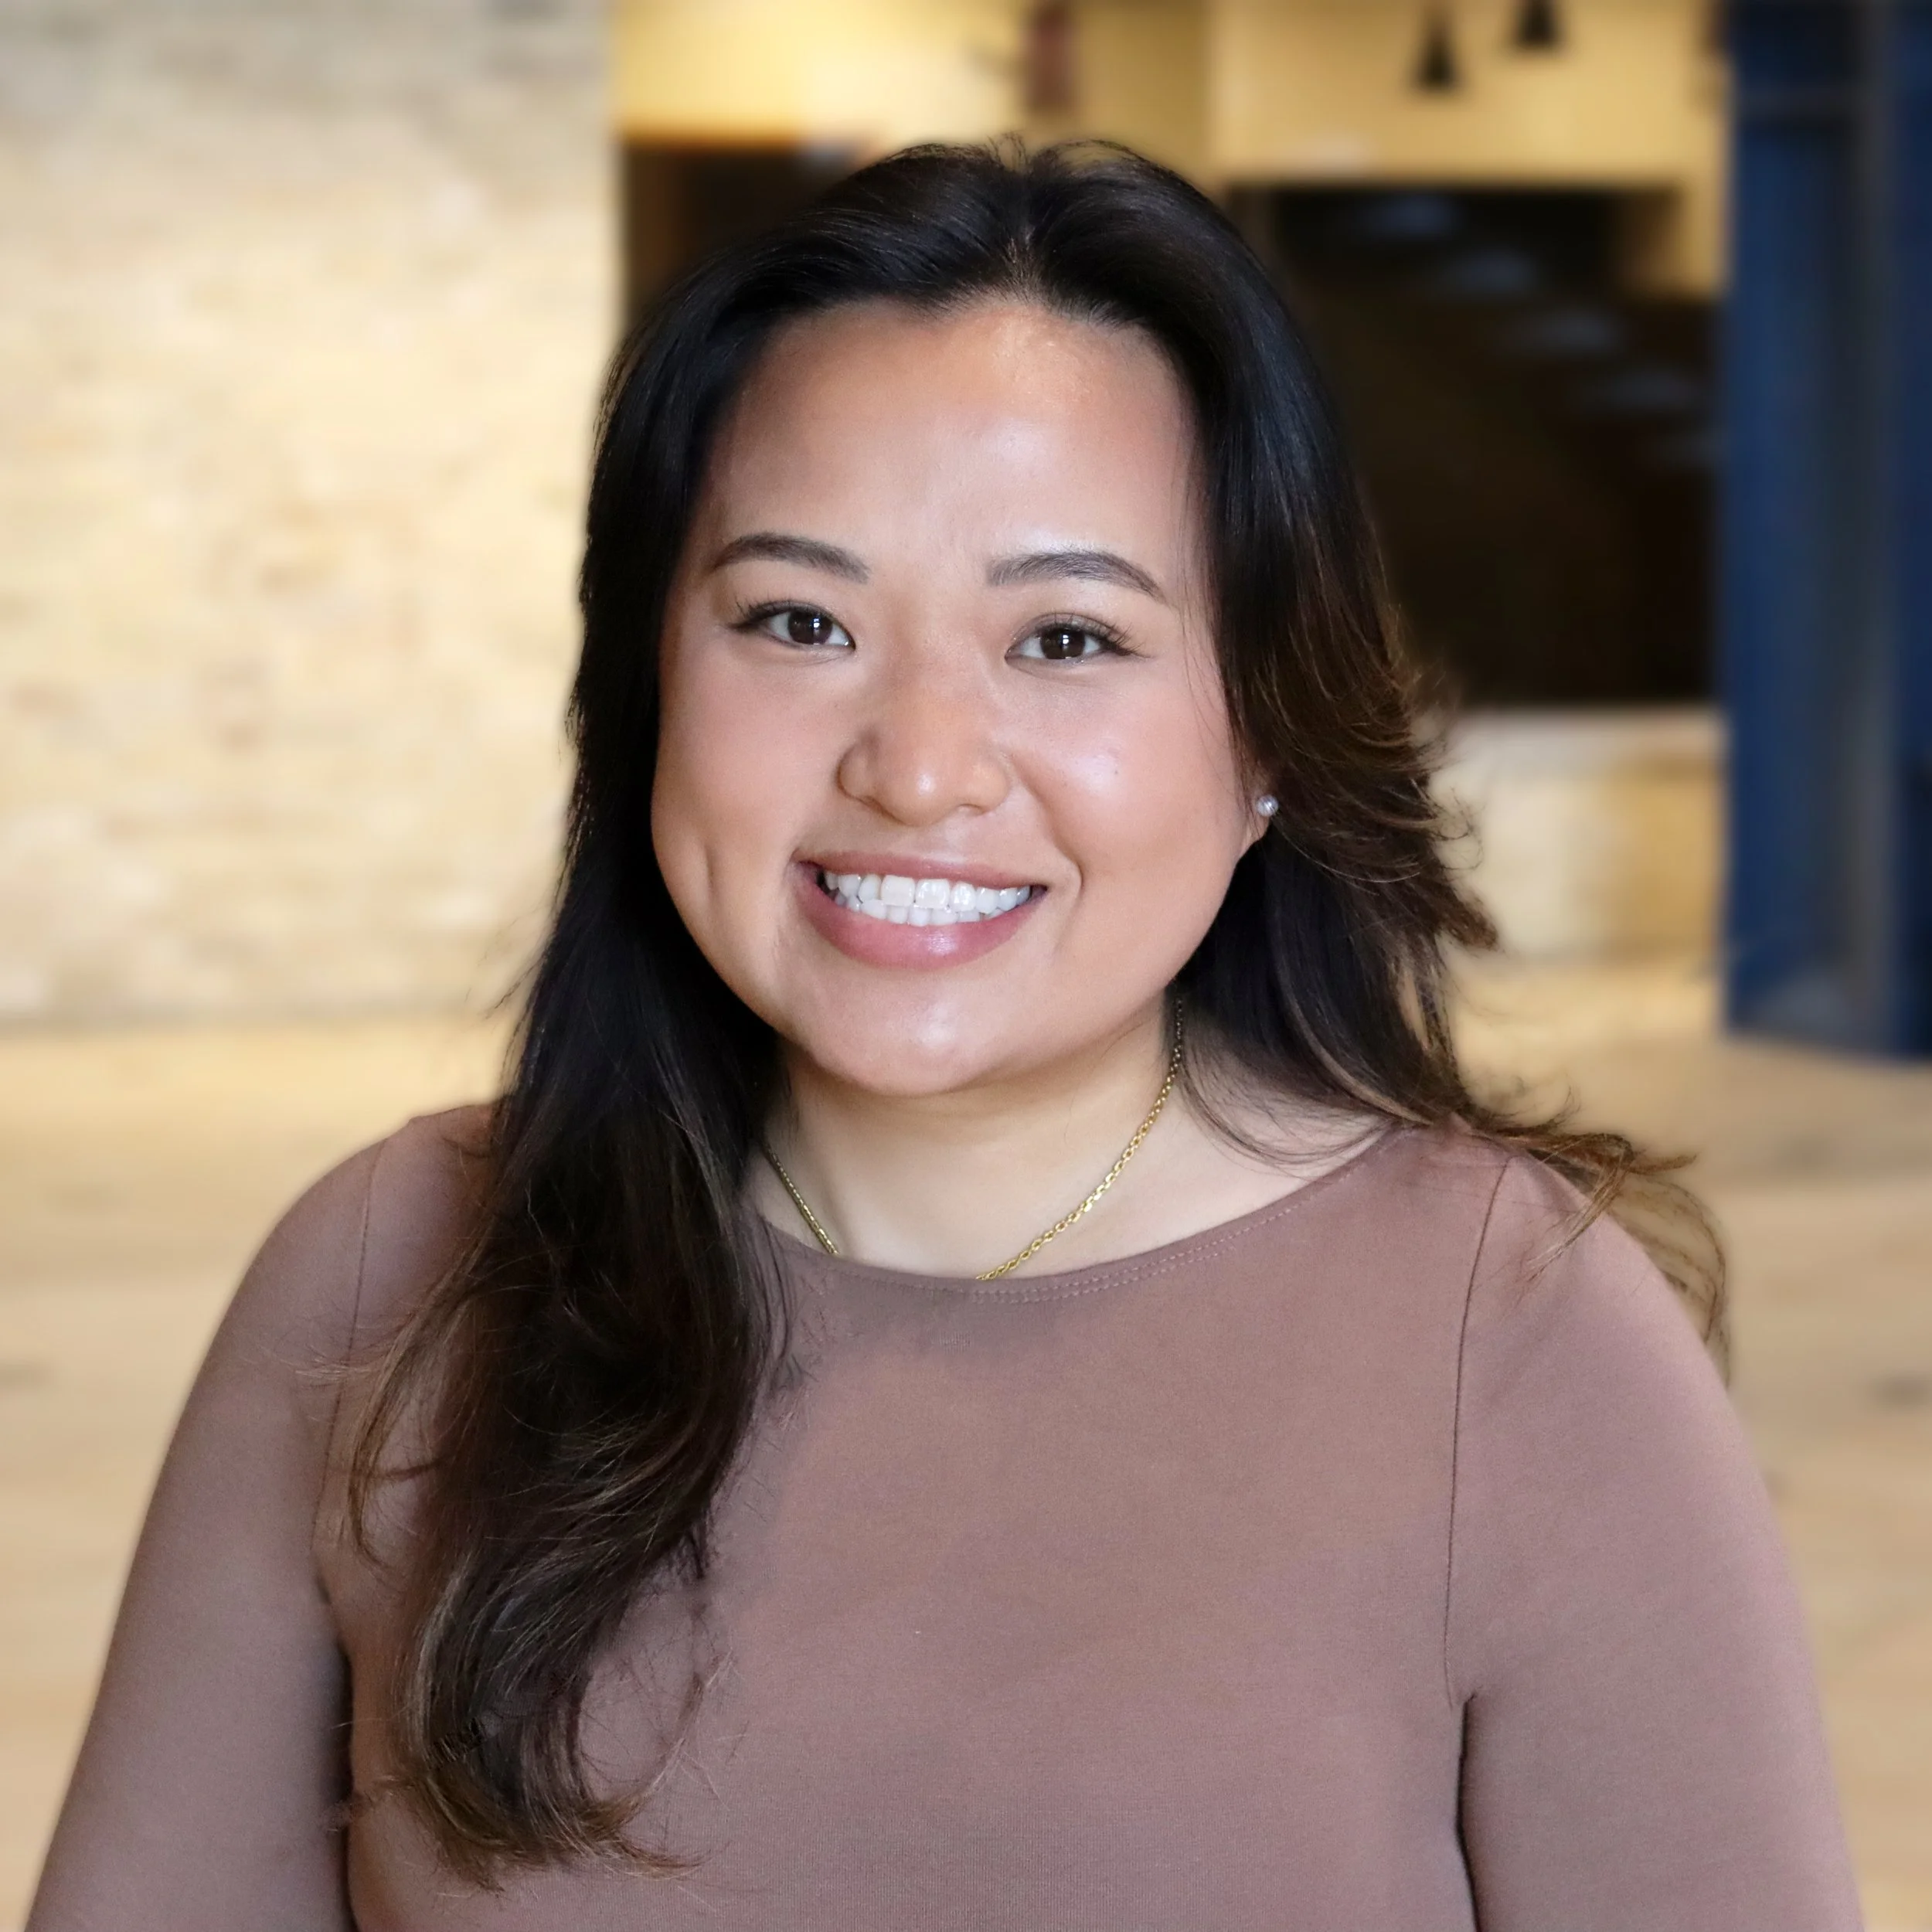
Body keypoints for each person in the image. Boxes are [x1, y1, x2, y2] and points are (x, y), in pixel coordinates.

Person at [29, 142, 1859, 1932]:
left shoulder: (1513, 1340)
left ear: (1270, 740)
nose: (913, 765)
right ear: (646, 686)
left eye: (1064, 638)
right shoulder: (384, 1272)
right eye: (797, 619)